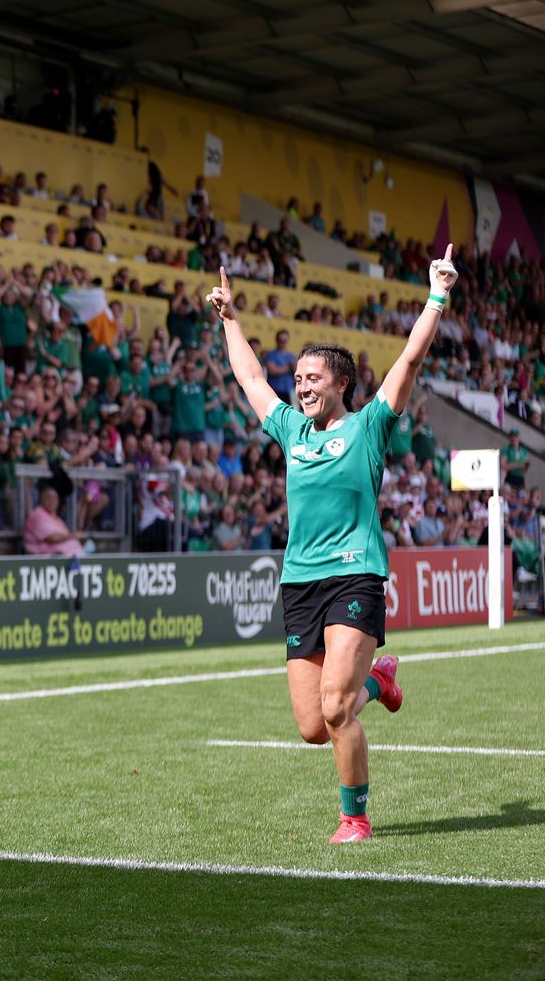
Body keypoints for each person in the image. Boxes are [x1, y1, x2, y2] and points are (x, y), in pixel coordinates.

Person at [208, 250, 459, 845]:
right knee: (311, 727)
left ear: (342, 383)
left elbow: (411, 358)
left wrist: (437, 295)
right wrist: (229, 321)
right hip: (300, 582)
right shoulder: (292, 429)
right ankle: (382, 680)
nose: (301, 388)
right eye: (297, 380)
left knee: (337, 709)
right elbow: (249, 378)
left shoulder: (369, 426)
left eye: (312, 379)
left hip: (355, 575)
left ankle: (355, 818)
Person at [22, 485, 83, 558]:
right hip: (47, 561)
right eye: (49, 498)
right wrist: (72, 536)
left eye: (55, 498)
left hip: (68, 559)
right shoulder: (37, 515)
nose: (52, 501)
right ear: (41, 499)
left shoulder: (55, 518)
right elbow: (51, 538)